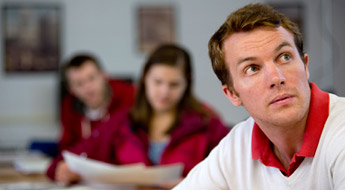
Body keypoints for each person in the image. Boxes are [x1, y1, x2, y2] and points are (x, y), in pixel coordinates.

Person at [173, 3, 345, 190]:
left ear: (305, 66)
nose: (276, 78)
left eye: (284, 57)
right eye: (252, 69)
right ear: (232, 94)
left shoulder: (340, 131)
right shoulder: (237, 146)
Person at [46, 44, 230, 186]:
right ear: (145, 79)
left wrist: (196, 185)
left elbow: (234, 174)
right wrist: (60, 170)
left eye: (174, 84)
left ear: (187, 83)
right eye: (157, 82)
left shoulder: (207, 123)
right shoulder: (122, 121)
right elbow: (67, 158)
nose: (164, 92)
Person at [58, 54, 135, 151]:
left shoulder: (128, 96)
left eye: (91, 78)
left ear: (104, 75)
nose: (87, 87)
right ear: (71, 89)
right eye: (79, 83)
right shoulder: (68, 106)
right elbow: (67, 147)